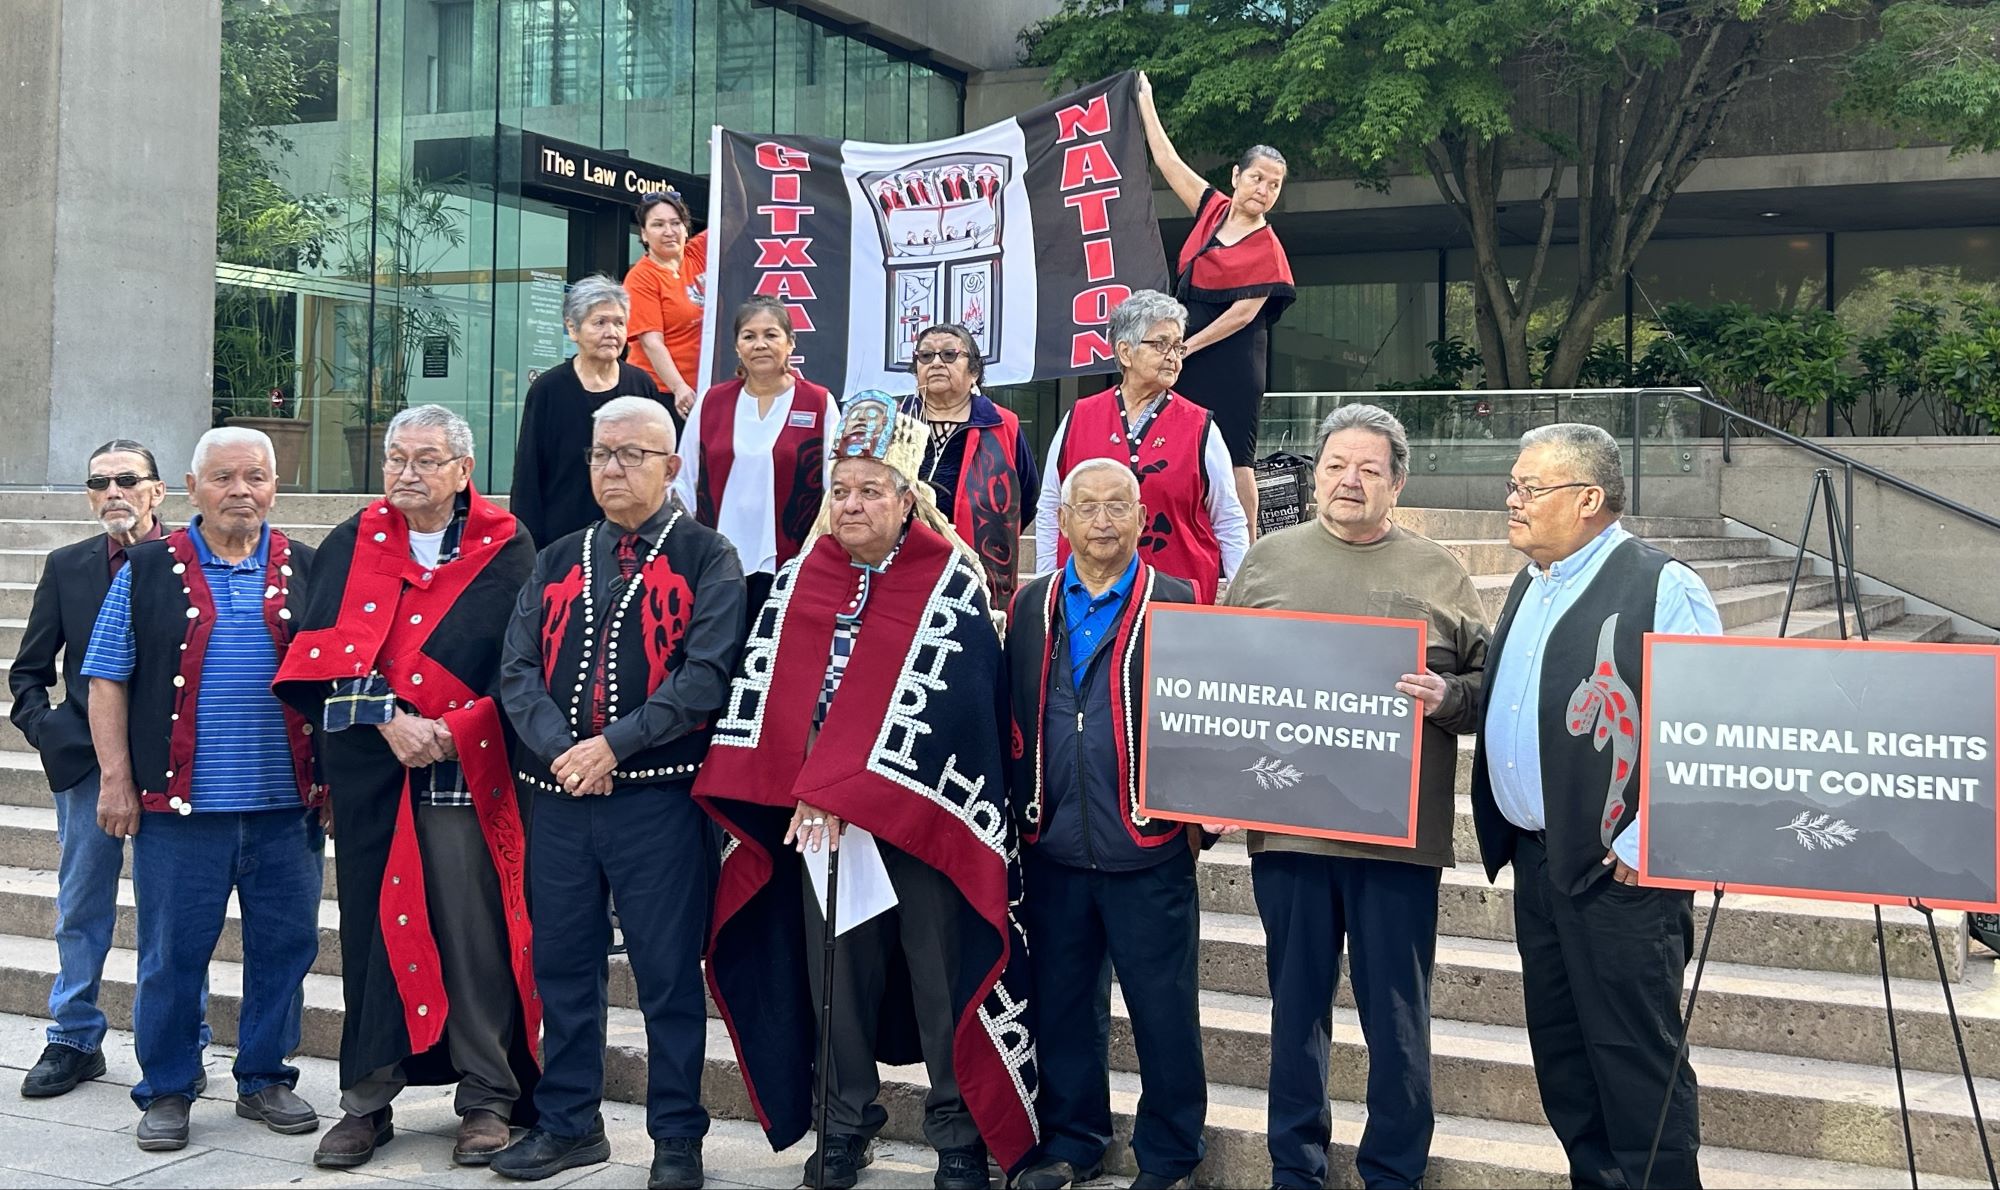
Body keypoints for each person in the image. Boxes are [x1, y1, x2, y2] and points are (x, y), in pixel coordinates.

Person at [694, 393, 1037, 1190]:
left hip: (924, 814)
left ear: (907, 498)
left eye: (870, 490)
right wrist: (810, 782)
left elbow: (956, 707)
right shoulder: (795, 582)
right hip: (820, 823)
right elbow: (769, 696)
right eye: (840, 490)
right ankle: (843, 1125)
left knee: (941, 972)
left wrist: (843, 784)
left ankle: (957, 1133)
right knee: (836, 982)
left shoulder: (950, 582)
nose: (851, 505)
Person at [1223, 405, 1489, 1190]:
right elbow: (1221, 678)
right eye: (1336, 465)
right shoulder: (1267, 562)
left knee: (1396, 1019)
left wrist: (1448, 696)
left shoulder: (1441, 573)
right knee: (1294, 1012)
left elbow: (1488, 688)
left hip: (1396, 841)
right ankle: (1295, 1168)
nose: (1350, 481)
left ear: (1397, 484)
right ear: (1316, 477)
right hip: (1290, 836)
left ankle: (1394, 1171)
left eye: (1369, 469)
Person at [273, 406, 540, 1169]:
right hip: (373, 774)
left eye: (426, 459)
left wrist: (453, 730)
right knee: (373, 936)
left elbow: (521, 664)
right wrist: (389, 718)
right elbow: (316, 656)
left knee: (474, 935)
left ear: (463, 471)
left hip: (466, 773)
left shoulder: (506, 545)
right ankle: (367, 1101)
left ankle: (488, 1097)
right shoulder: (353, 538)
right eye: (397, 458)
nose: (407, 473)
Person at [497, 396, 747, 1189]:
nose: (611, 468)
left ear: (670, 467)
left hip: (658, 802)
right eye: (601, 454)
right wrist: (565, 753)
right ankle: (569, 1124)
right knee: (564, 967)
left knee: (668, 975)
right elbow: (516, 671)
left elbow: (703, 678)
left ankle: (676, 1136)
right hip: (560, 798)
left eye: (631, 455)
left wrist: (614, 746)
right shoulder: (558, 555)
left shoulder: (709, 556)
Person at [1472, 423, 1722, 1188]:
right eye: (1513, 486)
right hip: (1538, 863)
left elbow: (1707, 724)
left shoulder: (1661, 585)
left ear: (1587, 499)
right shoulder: (1534, 581)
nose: (1513, 501)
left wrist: (1648, 840)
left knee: (1635, 1067)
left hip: (1623, 876)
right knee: (1567, 1062)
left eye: (1530, 487)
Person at [80, 427, 326, 1152]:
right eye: (224, 477)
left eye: (256, 476)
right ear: (191, 488)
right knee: (170, 956)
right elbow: (105, 680)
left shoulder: (308, 567)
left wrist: (336, 783)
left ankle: (265, 1077)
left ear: (274, 486)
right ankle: (167, 1086)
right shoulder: (147, 568)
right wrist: (116, 781)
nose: (240, 490)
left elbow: (337, 681)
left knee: (286, 949)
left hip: (286, 810)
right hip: (180, 814)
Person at [1006, 457, 1203, 1190]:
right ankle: (1073, 1141)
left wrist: (1200, 822)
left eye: (1117, 505)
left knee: (1164, 1013)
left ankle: (1171, 1156)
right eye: (1085, 506)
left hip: (1148, 850)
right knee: (1062, 1008)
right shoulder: (1031, 605)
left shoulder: (1179, 600)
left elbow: (1209, 724)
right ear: (1062, 519)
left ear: (1142, 515)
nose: (1101, 521)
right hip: (1052, 845)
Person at [10, 441, 214, 1099]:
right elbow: (29, 673)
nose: (113, 492)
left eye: (127, 479)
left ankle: (185, 1041)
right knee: (82, 903)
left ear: (158, 490)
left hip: (175, 767)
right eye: (100, 483)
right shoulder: (68, 565)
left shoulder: (192, 559)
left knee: (176, 914)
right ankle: (73, 1037)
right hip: (90, 769)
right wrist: (54, 735)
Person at [1136, 71, 1295, 531]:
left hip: (1231, 358)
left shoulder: (1269, 247)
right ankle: (1180, 529)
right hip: (1184, 346)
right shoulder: (1211, 209)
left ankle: (1245, 551)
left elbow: (1242, 316)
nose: (1263, 189)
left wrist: (1185, 346)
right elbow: (1167, 160)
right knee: (1174, 438)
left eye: (1274, 185)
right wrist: (1146, 102)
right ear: (1236, 176)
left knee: (1236, 457)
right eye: (1257, 178)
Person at [1035, 290, 1248, 602]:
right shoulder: (1079, 418)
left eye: (1178, 346)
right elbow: (1050, 509)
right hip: (1087, 599)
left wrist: (1241, 598)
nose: (1173, 356)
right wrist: (1045, 586)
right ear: (1125, 352)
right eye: (1160, 344)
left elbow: (1228, 519)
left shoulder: (1200, 426)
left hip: (1174, 602)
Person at [672, 296, 838, 615]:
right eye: (749, 336)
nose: (760, 344)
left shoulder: (818, 403)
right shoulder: (711, 403)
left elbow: (833, 486)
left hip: (790, 561)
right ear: (737, 347)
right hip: (716, 562)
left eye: (771, 334)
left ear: (790, 342)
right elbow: (684, 481)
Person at [511, 274, 671, 549]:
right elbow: (528, 476)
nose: (612, 332)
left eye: (619, 323)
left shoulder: (641, 384)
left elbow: (658, 465)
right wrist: (528, 550)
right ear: (572, 329)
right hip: (562, 541)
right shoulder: (548, 390)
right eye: (600, 323)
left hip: (633, 540)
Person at [899, 322, 1040, 608]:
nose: (936, 363)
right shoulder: (896, 422)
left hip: (979, 574)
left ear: (973, 371)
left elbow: (1027, 498)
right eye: (925, 356)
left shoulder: (1003, 425)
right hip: (903, 568)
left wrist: (992, 530)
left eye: (949, 354)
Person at [625, 189, 709, 418]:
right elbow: (652, 343)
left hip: (703, 387)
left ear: (686, 228)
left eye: (675, 223)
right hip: (660, 392)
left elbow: (735, 215)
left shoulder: (697, 254)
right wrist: (679, 387)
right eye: (658, 224)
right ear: (644, 234)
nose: (669, 231)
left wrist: (734, 166)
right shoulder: (641, 277)